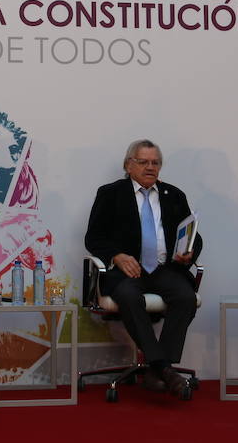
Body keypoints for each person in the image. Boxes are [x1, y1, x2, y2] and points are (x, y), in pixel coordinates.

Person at [83, 139, 202, 397]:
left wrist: (188, 253)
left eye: (155, 162)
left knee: (186, 297)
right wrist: (117, 255)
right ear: (128, 165)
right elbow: (93, 238)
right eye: (143, 162)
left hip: (164, 269)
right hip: (127, 270)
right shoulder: (110, 193)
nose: (150, 167)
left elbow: (194, 236)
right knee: (128, 295)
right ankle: (164, 368)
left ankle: (157, 369)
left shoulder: (174, 195)